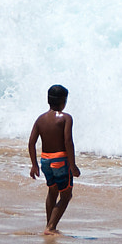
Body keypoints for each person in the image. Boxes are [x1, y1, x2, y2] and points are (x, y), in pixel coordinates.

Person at [28, 84, 78, 235]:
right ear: (64, 101)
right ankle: (50, 228)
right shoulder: (66, 118)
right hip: (61, 160)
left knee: (52, 191)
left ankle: (49, 225)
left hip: (45, 161)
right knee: (66, 195)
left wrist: (34, 165)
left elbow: (31, 143)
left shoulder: (40, 119)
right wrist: (73, 165)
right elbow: (68, 141)